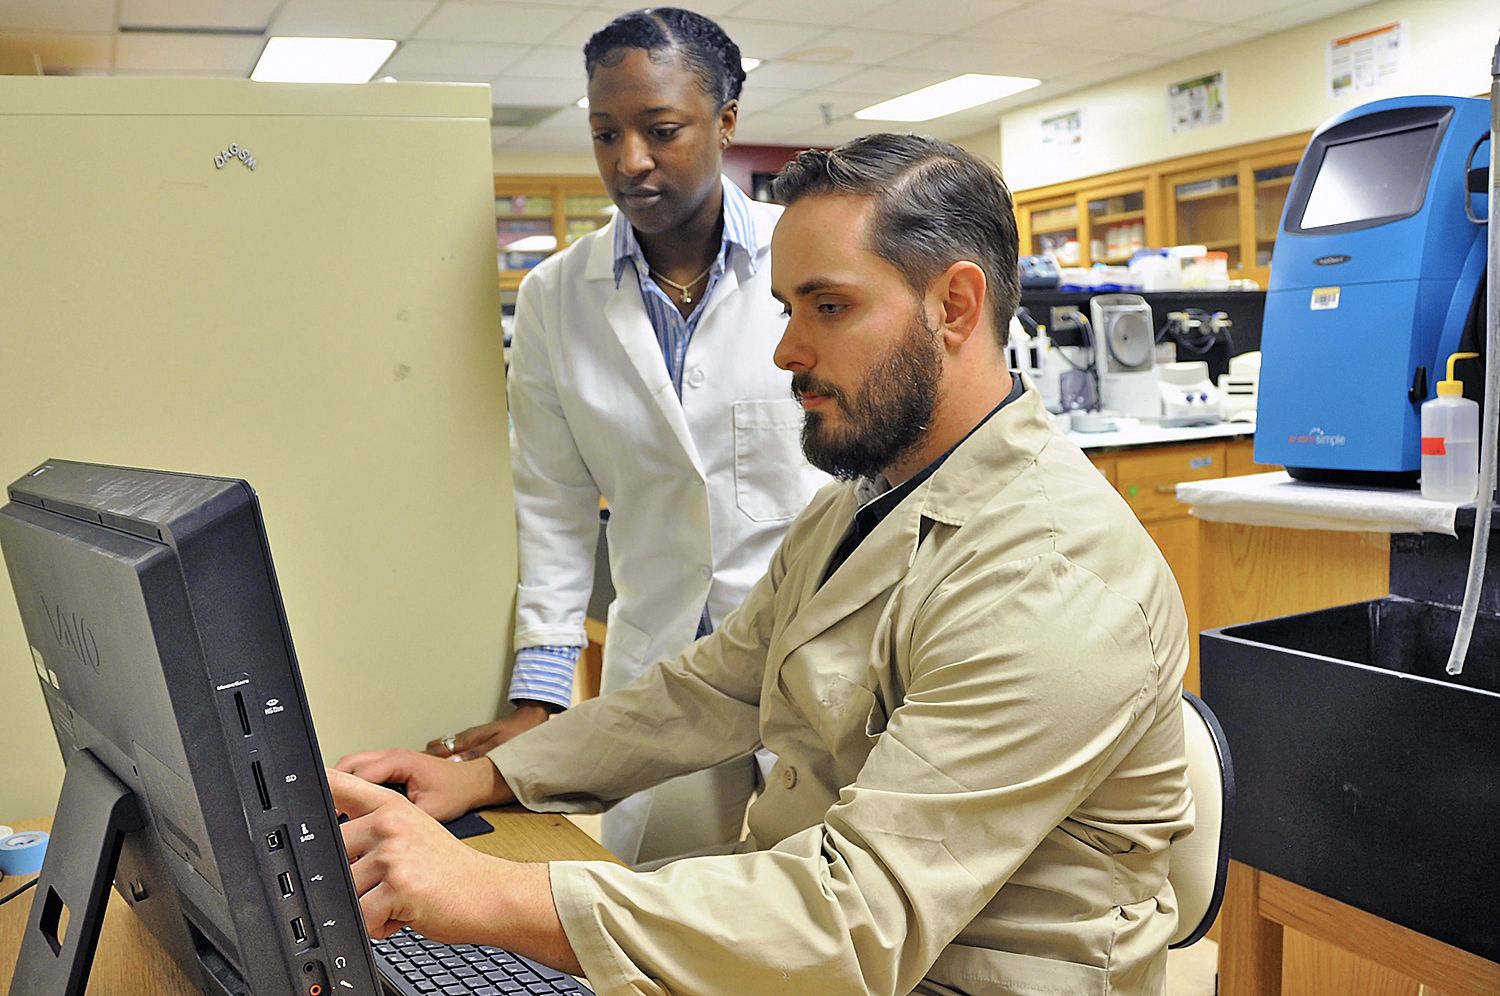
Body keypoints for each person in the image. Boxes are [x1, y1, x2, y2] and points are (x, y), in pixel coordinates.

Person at [333, 133, 1193, 994]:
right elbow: (715, 689)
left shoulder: (1053, 576)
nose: (786, 350)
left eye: (828, 308)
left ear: (956, 307)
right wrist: (486, 775)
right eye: (787, 308)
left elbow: (854, 918)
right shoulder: (857, 503)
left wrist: (498, 895)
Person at [421, 8, 825, 864]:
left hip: (814, 648)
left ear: (726, 123)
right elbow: (554, 507)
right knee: (662, 912)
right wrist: (543, 699)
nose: (628, 161)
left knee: (824, 904)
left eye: (661, 129)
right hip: (664, 663)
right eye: (606, 133)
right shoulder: (556, 296)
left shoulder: (807, 268)